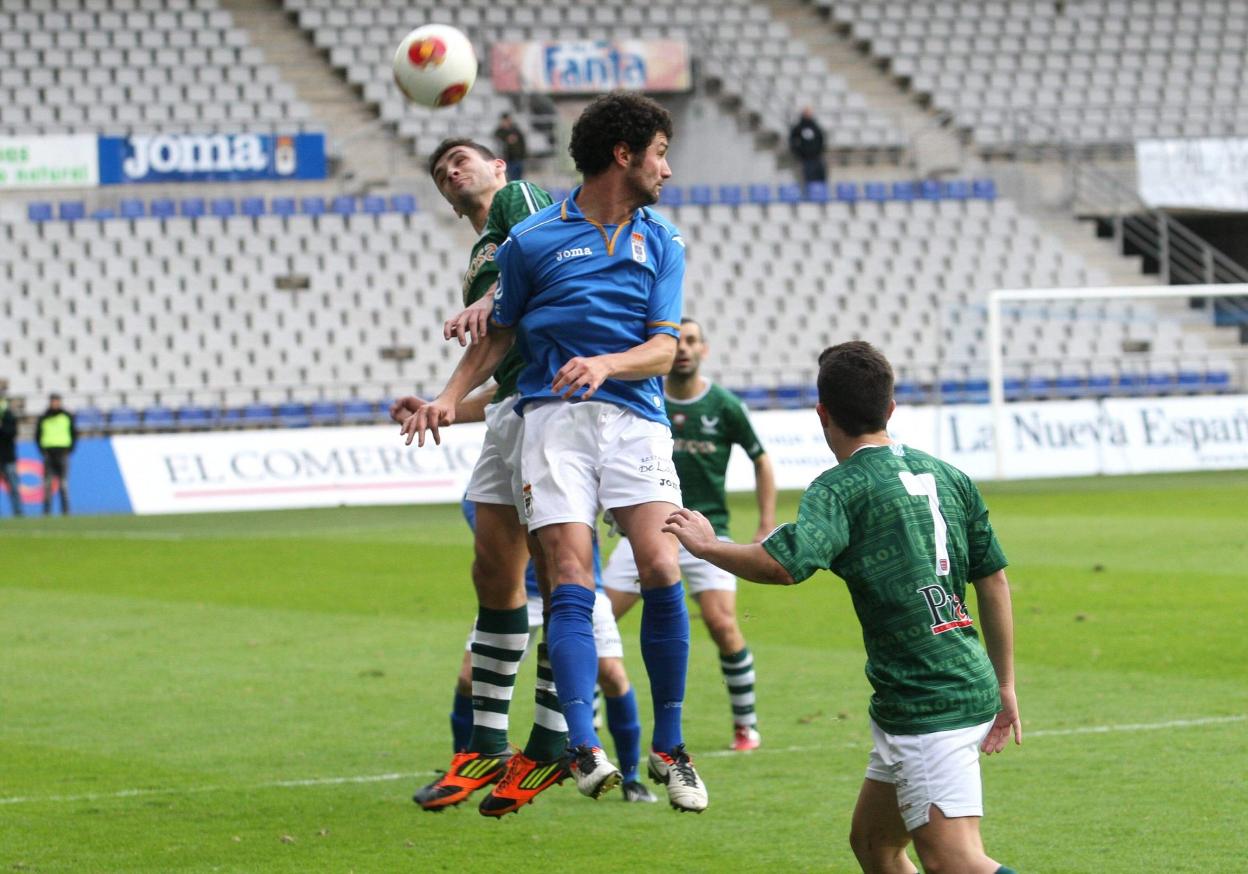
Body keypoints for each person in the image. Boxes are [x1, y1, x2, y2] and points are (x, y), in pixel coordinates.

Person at [402, 92, 708, 813]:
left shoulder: (624, 230)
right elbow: (502, 336)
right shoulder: (521, 242)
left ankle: (633, 745)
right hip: (543, 414)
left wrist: (603, 362)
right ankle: (549, 746)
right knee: (535, 575)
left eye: (461, 159)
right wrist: (447, 397)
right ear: (627, 154)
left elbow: (664, 344)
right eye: (659, 152)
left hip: (622, 414)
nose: (667, 166)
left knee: (637, 565)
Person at [663, 341, 1021, 874]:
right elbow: (993, 579)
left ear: (822, 414)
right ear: (890, 408)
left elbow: (784, 564)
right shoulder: (947, 475)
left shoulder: (840, 489)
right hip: (946, 684)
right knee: (875, 845)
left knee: (954, 862)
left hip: (929, 699)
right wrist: (1005, 683)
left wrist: (708, 546)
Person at [391, 140, 569, 816]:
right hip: (515, 404)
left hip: (557, 402)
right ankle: (486, 743)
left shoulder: (519, 202)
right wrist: (444, 407)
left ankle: (553, 741)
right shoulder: (476, 257)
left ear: (499, 167)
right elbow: (498, 365)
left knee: (557, 576)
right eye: (439, 172)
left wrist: (491, 298)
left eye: (461, 159)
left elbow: (537, 260)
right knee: (493, 570)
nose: (449, 172)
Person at [603, 317, 775, 752]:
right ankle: (586, 728)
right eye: (676, 341)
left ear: (704, 350)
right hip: (646, 531)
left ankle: (746, 725)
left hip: (706, 531)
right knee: (596, 622)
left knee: (721, 624)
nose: (683, 348)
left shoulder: (724, 405)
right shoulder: (644, 397)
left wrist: (765, 521)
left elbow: (761, 458)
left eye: (692, 340)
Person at [454, 498, 657, 804]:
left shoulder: (563, 468)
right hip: (517, 596)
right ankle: (467, 765)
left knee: (613, 677)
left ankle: (632, 778)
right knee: (469, 679)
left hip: (580, 590)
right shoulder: (484, 488)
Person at [36, 393, 75, 516]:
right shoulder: (44, 417)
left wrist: (70, 448)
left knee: (63, 484)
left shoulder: (66, 416)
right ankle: (47, 512)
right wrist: (42, 450)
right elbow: (37, 435)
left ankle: (65, 511)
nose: (55, 403)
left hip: (63, 453)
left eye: (57, 401)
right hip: (49, 453)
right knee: (47, 484)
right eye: (53, 401)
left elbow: (74, 433)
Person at [788, 106, 827, 187]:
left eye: (810, 113)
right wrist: (800, 153)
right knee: (808, 180)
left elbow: (821, 140)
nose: (809, 115)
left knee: (821, 178)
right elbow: (793, 141)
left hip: (817, 158)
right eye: (807, 113)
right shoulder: (798, 127)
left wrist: (819, 151)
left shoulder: (816, 127)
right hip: (805, 160)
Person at [1, 387, 22, 517]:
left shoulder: (9, 417)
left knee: (14, 487)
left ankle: (18, 512)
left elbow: (12, 433)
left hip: (8, 457)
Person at [494, 113, 528, 181]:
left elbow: (522, 143)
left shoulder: (516, 130)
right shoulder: (500, 131)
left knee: (519, 177)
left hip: (518, 158)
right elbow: (498, 138)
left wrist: (524, 155)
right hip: (508, 159)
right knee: (511, 177)